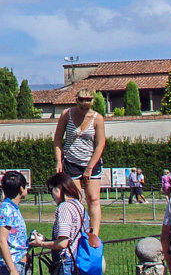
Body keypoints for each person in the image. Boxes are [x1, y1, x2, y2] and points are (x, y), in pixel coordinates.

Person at [54, 89, 106, 244]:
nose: (85, 103)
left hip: (92, 162)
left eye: (88, 100)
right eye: (82, 100)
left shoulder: (97, 119)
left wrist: (90, 167)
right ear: (76, 100)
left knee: (94, 198)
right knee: (75, 199)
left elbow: (100, 144)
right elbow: (57, 140)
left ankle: (94, 235)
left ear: (92, 101)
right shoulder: (66, 114)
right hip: (71, 162)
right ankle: (77, 230)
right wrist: (58, 161)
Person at [32, 173, 89, 275]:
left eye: (51, 190)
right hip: (80, 260)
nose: (52, 195)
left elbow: (63, 243)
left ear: (59, 188)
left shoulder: (64, 207)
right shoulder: (79, 206)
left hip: (67, 263)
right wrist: (47, 241)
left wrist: (40, 244)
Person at [0, 171, 29, 275]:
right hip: (12, 266)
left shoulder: (12, 208)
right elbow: (2, 241)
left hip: (18, 264)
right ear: (21, 189)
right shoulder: (6, 209)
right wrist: (12, 269)